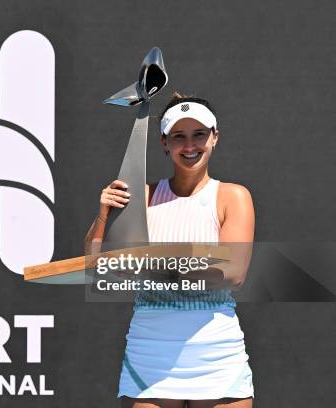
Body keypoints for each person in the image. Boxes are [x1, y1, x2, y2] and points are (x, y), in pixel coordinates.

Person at [85, 93, 255, 408]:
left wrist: (148, 269)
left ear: (214, 137)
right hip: (150, 350)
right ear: (164, 143)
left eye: (199, 134)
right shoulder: (142, 196)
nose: (190, 145)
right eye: (179, 137)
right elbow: (97, 267)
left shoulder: (234, 196)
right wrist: (103, 215)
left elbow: (232, 274)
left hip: (215, 350)